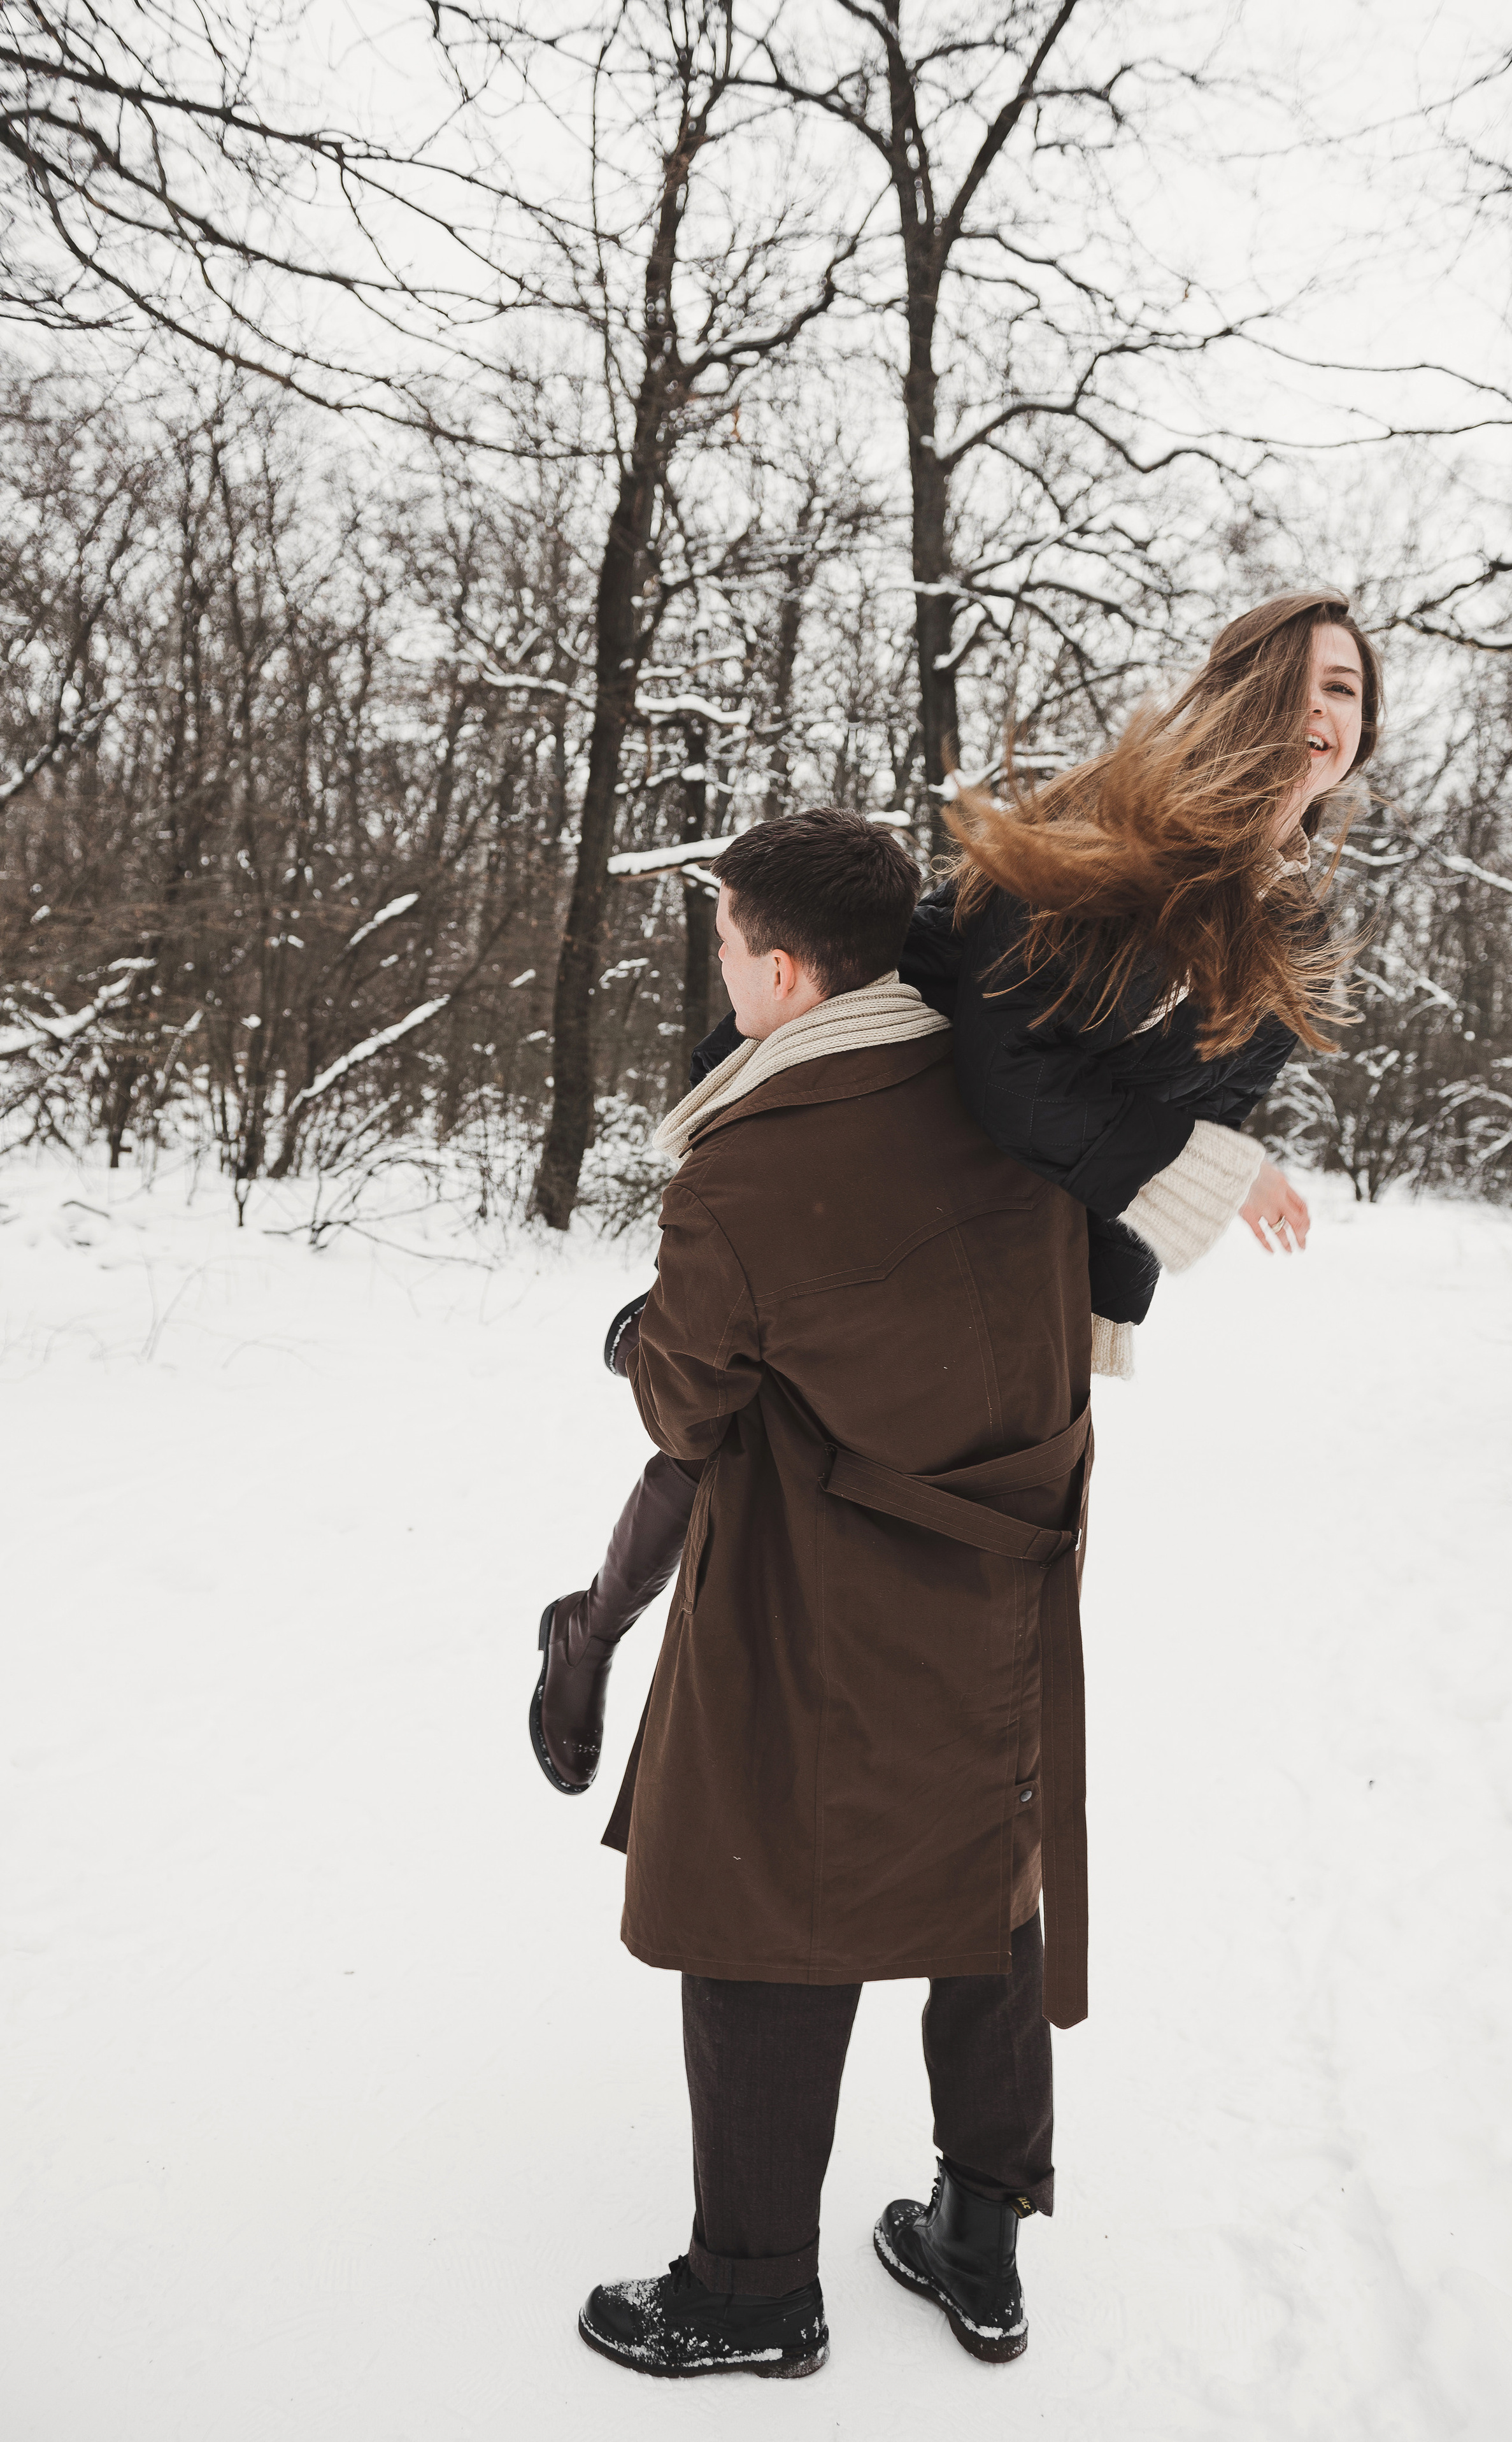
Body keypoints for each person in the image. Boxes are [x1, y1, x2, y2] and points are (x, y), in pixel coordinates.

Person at [531, 588, 1382, 1801]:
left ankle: (648, 1513)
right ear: (1234, 694)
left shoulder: (1291, 925)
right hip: (899, 1104)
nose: (1320, 712)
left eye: (1344, 690)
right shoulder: (1122, 818)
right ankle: (602, 1623)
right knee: (741, 1417)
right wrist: (1212, 1174)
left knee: (904, 1476)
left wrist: (1095, 1306)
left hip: (1016, 1187)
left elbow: (1201, 1114)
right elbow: (1008, 1063)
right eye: (1295, 681)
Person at [569, 805, 1095, 2378]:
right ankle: (980, 2241)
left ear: (784, 970)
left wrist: (629, 1336)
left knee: (758, 1895)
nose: (718, 970)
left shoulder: (754, 1155)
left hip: (821, 1576)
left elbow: (684, 1404)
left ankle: (748, 2294)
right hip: (1006, 1553)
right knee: (982, 1881)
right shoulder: (1004, 1080)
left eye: (726, 944)